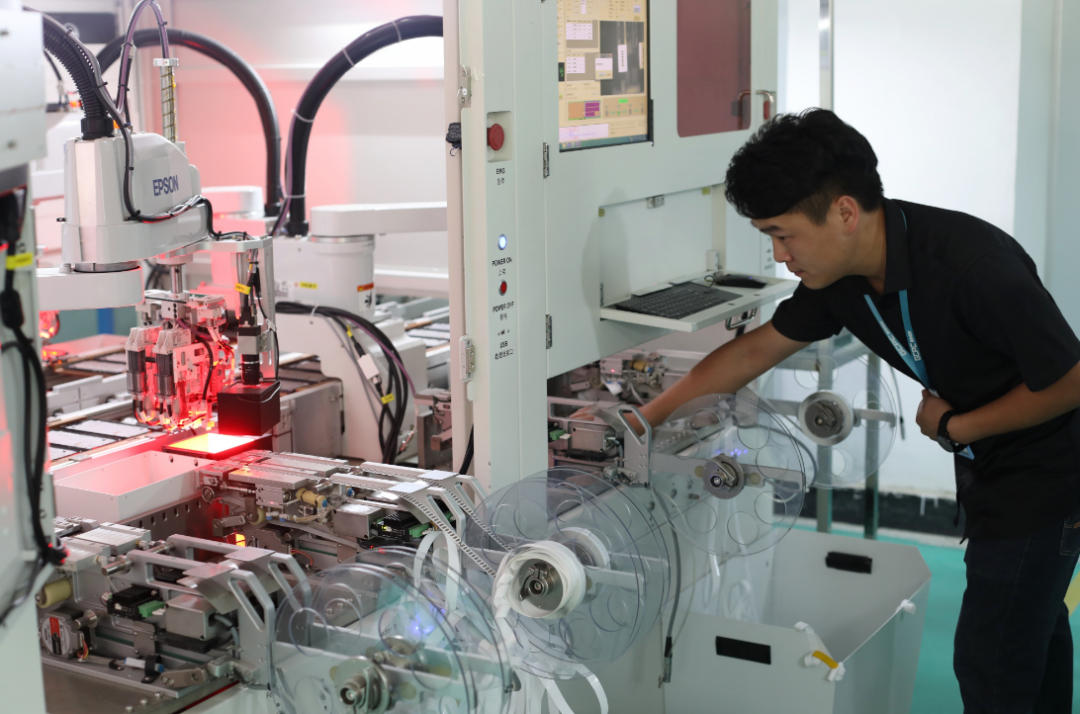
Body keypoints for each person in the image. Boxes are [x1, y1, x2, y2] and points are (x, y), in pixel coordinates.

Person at [628, 109, 1080, 713]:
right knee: (1033, 630)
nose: (780, 255)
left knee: (992, 660)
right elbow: (752, 353)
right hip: (991, 463)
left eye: (784, 235)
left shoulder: (971, 266)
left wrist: (956, 426)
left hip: (1049, 468)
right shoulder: (839, 280)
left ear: (844, 212)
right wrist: (643, 421)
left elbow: (1072, 381)